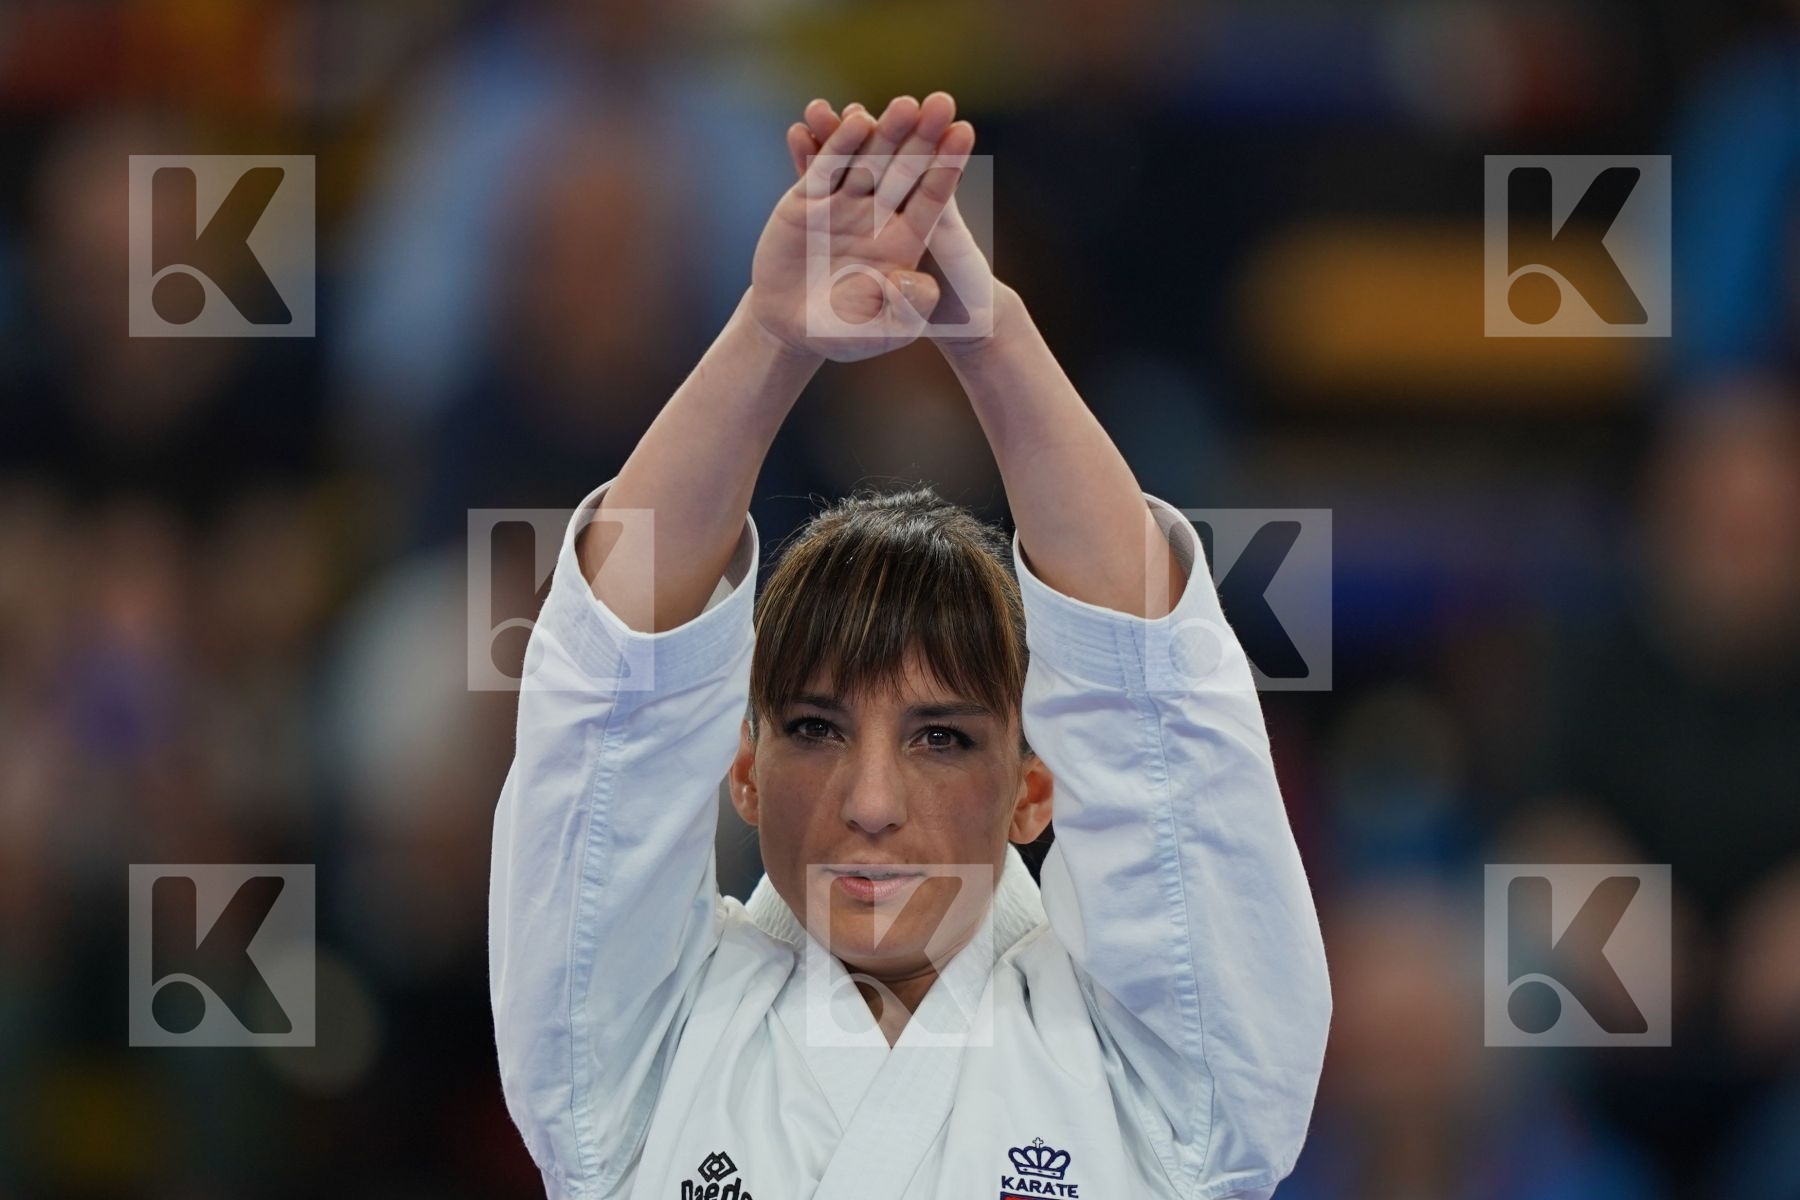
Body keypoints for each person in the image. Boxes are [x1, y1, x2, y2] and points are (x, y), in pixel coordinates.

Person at [488, 92, 1331, 1200]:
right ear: (743, 770)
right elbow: (608, 699)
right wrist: (766, 336)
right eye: (813, 728)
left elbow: (1153, 699)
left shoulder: (1168, 1086)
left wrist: (990, 339)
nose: (871, 800)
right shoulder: (629, 1067)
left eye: (940, 737)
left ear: (1035, 788)